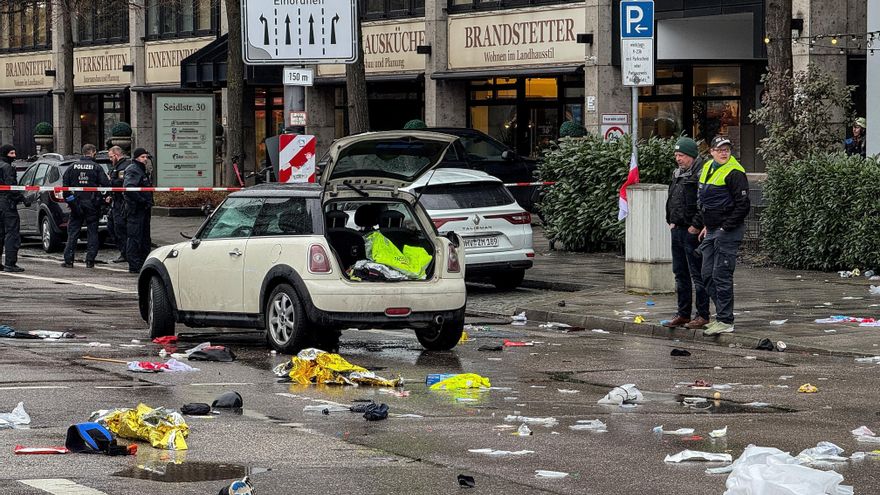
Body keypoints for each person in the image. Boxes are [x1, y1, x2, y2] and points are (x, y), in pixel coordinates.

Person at [696, 136, 750, 336]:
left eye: (727, 149)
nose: (724, 153)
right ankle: (722, 316)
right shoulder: (708, 168)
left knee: (721, 274)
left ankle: (726, 320)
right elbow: (705, 200)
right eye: (720, 149)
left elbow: (743, 205)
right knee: (706, 274)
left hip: (727, 231)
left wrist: (725, 228)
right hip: (711, 229)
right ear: (711, 151)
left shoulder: (735, 172)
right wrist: (705, 225)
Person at [663, 137, 710, 330]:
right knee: (680, 273)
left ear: (691, 155)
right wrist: (671, 220)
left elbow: (704, 202)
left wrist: (696, 225)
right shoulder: (679, 173)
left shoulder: (700, 173)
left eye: (681, 155)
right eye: (676, 155)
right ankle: (683, 313)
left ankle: (702, 314)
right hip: (678, 228)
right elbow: (673, 198)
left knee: (697, 274)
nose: (678, 159)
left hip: (692, 231)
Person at [61, 144, 110, 268]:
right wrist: (102, 200)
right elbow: (106, 185)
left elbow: (65, 189)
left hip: (76, 203)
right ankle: (90, 260)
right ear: (92, 152)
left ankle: (68, 260)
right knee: (92, 232)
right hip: (92, 204)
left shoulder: (72, 167)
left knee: (73, 232)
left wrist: (72, 203)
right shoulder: (96, 167)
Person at [124, 148, 153, 274]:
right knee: (135, 237)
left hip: (143, 209)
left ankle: (142, 263)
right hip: (136, 210)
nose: (145, 159)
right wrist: (142, 201)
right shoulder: (133, 169)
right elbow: (130, 189)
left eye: (146, 157)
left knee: (145, 238)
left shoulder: (141, 169)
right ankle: (134, 265)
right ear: (136, 158)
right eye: (142, 157)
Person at [0, 144, 24, 272]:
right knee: (12, 233)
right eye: (12, 153)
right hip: (7, 204)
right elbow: (11, 188)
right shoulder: (7, 168)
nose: (14, 156)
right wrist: (22, 198)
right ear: (5, 153)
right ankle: (10, 263)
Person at [107, 146, 130, 263]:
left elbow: (121, 183)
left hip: (122, 202)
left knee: (120, 228)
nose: (110, 159)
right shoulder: (116, 166)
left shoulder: (124, 166)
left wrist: (109, 181)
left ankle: (126, 253)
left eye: (111, 157)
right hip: (115, 200)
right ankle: (123, 251)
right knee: (112, 227)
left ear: (116, 155)